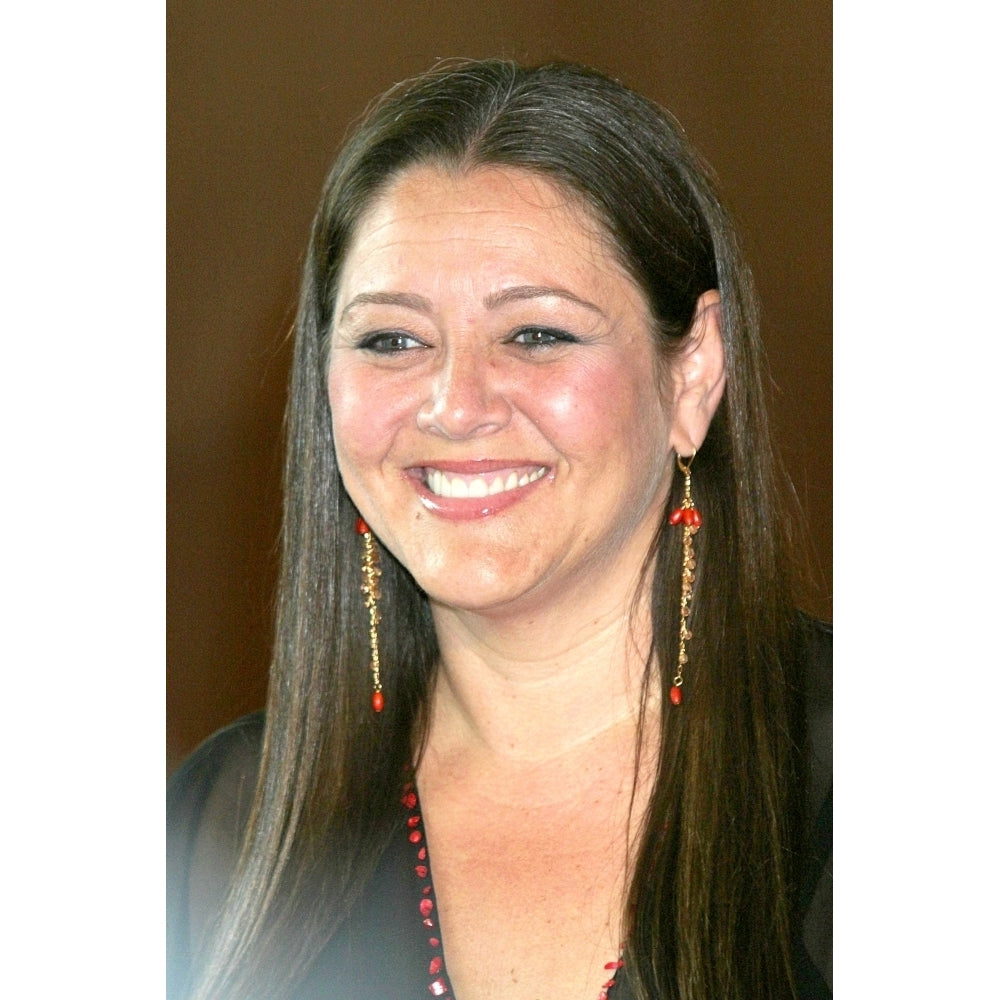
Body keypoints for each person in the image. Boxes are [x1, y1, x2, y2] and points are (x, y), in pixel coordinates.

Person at [167, 59, 832, 1000]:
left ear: (693, 373)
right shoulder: (216, 832)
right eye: (392, 340)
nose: (455, 404)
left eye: (536, 335)